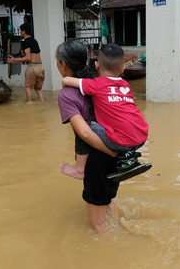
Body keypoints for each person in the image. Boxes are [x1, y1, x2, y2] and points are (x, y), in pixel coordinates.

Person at [55, 40, 120, 233]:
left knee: (98, 224)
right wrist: (114, 152)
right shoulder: (96, 83)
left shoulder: (67, 95)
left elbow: (84, 132)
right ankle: (123, 228)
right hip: (114, 146)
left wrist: (106, 152)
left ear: (64, 65)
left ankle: (111, 258)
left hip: (97, 157)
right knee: (109, 201)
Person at [61, 43, 149, 177]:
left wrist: (64, 82)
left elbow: (68, 81)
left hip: (122, 141)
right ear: (122, 69)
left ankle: (79, 169)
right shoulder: (125, 85)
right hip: (142, 136)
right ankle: (128, 156)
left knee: (84, 126)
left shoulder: (96, 84)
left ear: (97, 65)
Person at [7, 23, 44, 103]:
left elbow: (28, 58)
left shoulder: (25, 42)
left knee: (28, 87)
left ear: (24, 31)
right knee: (38, 89)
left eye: (20, 31)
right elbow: (33, 53)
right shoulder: (34, 41)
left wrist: (14, 60)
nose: (20, 33)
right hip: (41, 67)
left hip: (33, 67)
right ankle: (42, 102)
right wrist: (23, 54)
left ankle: (29, 106)